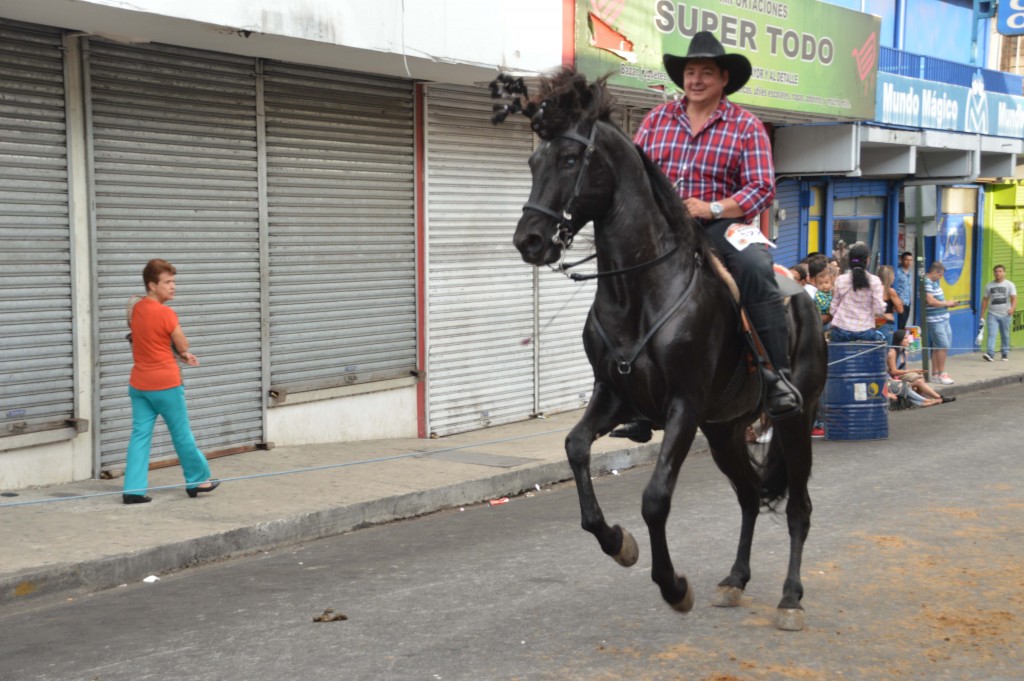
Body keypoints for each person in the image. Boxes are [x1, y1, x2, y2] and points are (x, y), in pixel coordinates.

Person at [612, 31, 799, 444]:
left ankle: (778, 377)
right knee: (619, 279)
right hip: (662, 227)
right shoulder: (656, 120)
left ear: (723, 78)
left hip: (721, 224)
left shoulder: (746, 126)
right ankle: (629, 397)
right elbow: (634, 174)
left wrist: (712, 208)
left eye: (706, 73)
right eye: (690, 72)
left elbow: (761, 188)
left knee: (755, 267)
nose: (696, 80)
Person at [123, 259, 219, 504]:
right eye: (167, 282)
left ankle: (133, 490)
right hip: (166, 384)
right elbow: (183, 344)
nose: (173, 286)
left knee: (139, 436)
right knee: (181, 434)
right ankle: (198, 480)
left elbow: (148, 339)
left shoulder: (135, 307)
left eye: (173, 281)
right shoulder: (166, 313)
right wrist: (183, 352)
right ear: (152, 285)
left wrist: (179, 352)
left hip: (139, 384)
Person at [828, 242, 886, 342]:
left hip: (841, 331)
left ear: (850, 260)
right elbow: (879, 310)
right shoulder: (874, 281)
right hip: (866, 332)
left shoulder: (840, 280)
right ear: (867, 260)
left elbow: (832, 309)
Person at [886, 329, 953, 407]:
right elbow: (893, 371)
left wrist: (914, 372)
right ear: (899, 340)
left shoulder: (905, 352)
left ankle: (924, 400)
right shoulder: (892, 352)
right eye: (906, 338)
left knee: (920, 378)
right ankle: (938, 398)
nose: (908, 340)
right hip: (893, 378)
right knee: (919, 382)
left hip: (901, 375)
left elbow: (905, 369)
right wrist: (912, 371)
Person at [924, 261, 959, 385]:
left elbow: (936, 299)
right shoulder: (926, 283)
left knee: (938, 347)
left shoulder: (933, 283)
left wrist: (948, 303)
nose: (941, 277)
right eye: (940, 275)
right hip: (935, 320)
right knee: (943, 345)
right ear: (934, 272)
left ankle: (935, 374)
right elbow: (930, 301)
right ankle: (942, 373)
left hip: (943, 318)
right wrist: (946, 303)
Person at [980, 264, 1017, 362]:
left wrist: (1012, 309)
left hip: (1006, 314)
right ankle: (990, 354)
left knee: (1005, 334)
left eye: (1000, 271)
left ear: (1004, 273)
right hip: (992, 314)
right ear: (993, 273)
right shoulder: (989, 285)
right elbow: (985, 300)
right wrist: (982, 314)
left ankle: (1004, 353)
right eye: (996, 271)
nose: (998, 273)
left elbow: (1014, 298)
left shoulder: (1009, 285)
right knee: (991, 334)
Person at [875, 265, 904, 345]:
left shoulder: (874, 289)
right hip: (886, 322)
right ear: (889, 277)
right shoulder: (890, 291)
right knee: (886, 348)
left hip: (875, 322)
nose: (894, 278)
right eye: (893, 275)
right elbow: (901, 310)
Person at [893, 251, 913, 329]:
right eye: (906, 260)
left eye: (910, 260)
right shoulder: (897, 272)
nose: (909, 262)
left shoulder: (909, 272)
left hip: (908, 303)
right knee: (899, 325)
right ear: (902, 260)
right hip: (900, 302)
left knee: (903, 324)